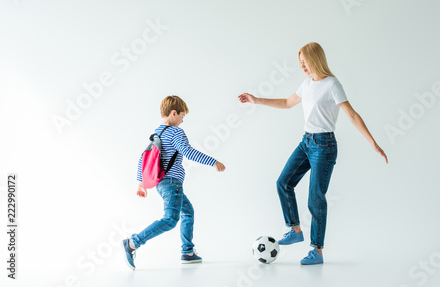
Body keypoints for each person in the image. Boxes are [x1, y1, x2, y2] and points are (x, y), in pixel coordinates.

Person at [238, 42, 388, 265]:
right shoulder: (307, 84)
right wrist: (256, 100)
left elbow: (352, 115)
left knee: (315, 198)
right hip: (306, 142)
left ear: (315, 59)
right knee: (283, 182)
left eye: (304, 62)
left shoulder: (332, 84)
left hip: (324, 145)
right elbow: (288, 102)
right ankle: (295, 230)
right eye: (300, 63)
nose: (302, 67)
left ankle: (316, 251)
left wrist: (373, 142)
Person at [122, 95, 226, 270]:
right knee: (170, 220)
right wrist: (213, 162)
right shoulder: (176, 132)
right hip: (172, 183)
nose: (182, 121)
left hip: (161, 183)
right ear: (173, 113)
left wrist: (140, 183)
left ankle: (188, 252)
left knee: (188, 212)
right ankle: (132, 243)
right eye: (182, 116)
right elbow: (189, 152)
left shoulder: (157, 132)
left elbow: (144, 158)